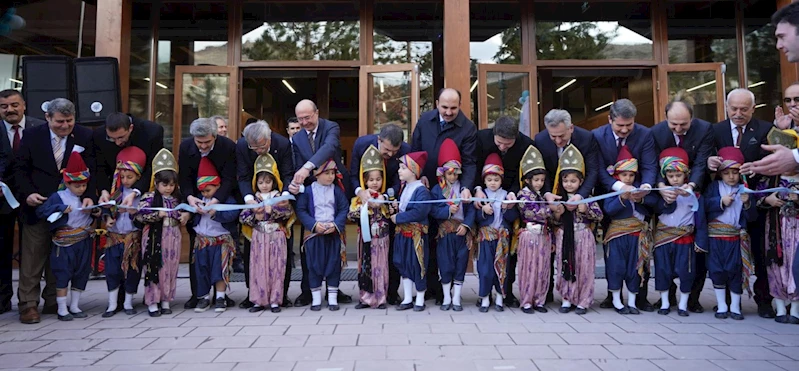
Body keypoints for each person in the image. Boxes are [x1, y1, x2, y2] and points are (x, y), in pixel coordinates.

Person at [14, 98, 94, 324]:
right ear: (48, 118)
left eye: (69, 121)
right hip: (39, 206)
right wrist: (28, 194)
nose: (65, 126)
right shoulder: (32, 135)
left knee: (59, 256)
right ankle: (28, 305)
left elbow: (93, 169)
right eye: (59, 121)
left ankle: (53, 300)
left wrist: (90, 196)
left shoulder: (84, 136)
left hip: (70, 212)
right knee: (33, 257)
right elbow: (20, 169)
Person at [709, 88, 775, 318]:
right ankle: (726, 301)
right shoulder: (715, 130)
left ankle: (764, 300)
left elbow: (774, 162)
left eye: (744, 109)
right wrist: (710, 162)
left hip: (755, 202)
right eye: (734, 108)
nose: (738, 113)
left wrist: (757, 167)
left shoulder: (765, 129)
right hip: (725, 205)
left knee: (760, 253)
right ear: (726, 107)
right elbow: (705, 159)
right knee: (725, 257)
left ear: (753, 109)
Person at [411, 88, 477, 305]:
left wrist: (466, 186)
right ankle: (430, 286)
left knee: (446, 245)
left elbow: (470, 161)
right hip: (427, 189)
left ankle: (444, 290)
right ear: (437, 104)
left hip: (451, 190)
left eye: (453, 108)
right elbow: (415, 151)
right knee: (427, 238)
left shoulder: (467, 128)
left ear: (460, 106)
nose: (449, 112)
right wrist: (418, 175)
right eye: (445, 107)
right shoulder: (424, 121)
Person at [593, 99, 658, 312]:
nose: (624, 130)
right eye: (620, 125)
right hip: (610, 198)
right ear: (609, 119)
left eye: (629, 125)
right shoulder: (597, 136)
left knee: (640, 251)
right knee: (614, 254)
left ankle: (640, 297)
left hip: (639, 201)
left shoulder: (645, 134)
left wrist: (645, 187)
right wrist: (620, 188)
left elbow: (649, 166)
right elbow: (599, 170)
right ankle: (613, 295)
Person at [651, 100, 714, 310]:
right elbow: (652, 163)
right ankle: (666, 297)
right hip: (665, 192)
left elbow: (701, 162)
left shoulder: (704, 129)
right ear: (666, 118)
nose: (678, 128)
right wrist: (661, 187)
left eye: (683, 124)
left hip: (694, 192)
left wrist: (691, 186)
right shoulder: (656, 132)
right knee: (665, 254)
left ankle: (693, 299)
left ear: (692, 119)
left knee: (696, 253)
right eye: (674, 124)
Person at [289, 99, 352, 306]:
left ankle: (334, 289)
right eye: (300, 119)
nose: (304, 122)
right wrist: (296, 185)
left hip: (334, 188)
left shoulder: (331, 127)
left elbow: (329, 148)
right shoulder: (297, 138)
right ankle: (308, 290)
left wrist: (307, 167)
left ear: (316, 113)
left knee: (334, 247)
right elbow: (297, 166)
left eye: (307, 117)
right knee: (309, 246)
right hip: (311, 194)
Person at [535, 109, 599, 303]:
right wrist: (547, 194)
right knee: (552, 248)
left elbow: (593, 171)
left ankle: (579, 293)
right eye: (553, 136)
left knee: (579, 253)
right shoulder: (541, 140)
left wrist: (580, 196)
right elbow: (543, 171)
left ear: (571, 128)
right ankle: (549, 293)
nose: (557, 140)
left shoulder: (587, 138)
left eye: (561, 136)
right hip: (553, 198)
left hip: (578, 196)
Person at [473, 116, 534, 308]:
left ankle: (506, 292)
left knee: (508, 257)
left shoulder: (526, 145)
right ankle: (484, 294)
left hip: (509, 197)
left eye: (507, 144)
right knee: (485, 261)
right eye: (499, 143)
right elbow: (473, 165)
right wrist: (477, 189)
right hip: (484, 191)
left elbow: (524, 174)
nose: (502, 147)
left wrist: (514, 193)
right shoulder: (481, 139)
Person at [178, 117, 237, 309]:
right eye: (199, 142)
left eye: (207, 142)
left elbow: (229, 178)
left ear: (215, 136)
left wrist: (217, 200)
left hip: (221, 197)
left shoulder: (227, 146)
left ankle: (221, 295)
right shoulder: (186, 147)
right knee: (198, 258)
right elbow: (184, 177)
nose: (203, 146)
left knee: (220, 259)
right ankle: (198, 295)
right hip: (196, 201)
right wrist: (189, 198)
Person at [236, 121, 294, 309]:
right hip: (255, 202)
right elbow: (243, 175)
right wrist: (249, 199)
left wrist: (284, 196)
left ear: (269, 138)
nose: (258, 151)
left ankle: (281, 295)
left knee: (282, 256)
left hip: (278, 201)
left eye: (261, 146)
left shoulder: (282, 144)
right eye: (254, 148)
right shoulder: (242, 146)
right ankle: (254, 294)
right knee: (252, 256)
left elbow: (288, 173)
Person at [35, 149, 98, 321]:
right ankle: (62, 308)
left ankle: (75, 305)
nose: (81, 189)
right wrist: (60, 208)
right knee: (63, 272)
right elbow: (42, 211)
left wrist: (96, 211)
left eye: (84, 185)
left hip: (83, 240)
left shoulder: (87, 197)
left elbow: (99, 211)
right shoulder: (58, 197)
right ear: (67, 183)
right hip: (64, 242)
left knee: (82, 272)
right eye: (77, 186)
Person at [350, 123, 409, 305]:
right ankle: (366, 292)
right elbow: (353, 175)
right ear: (379, 140)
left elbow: (399, 181)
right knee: (366, 252)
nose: (390, 154)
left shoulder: (405, 150)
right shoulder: (361, 144)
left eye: (394, 151)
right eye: (387, 150)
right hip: (366, 207)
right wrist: (360, 192)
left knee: (391, 252)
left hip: (388, 205)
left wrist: (386, 196)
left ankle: (391, 292)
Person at [0, 89, 44, 314]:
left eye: (14, 105)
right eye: (4, 106)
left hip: (31, 198)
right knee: (2, 251)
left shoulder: (40, 128)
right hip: (2, 201)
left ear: (24, 105)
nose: (10, 110)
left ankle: (29, 301)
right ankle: (2, 300)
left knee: (32, 251)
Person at [602, 146, 658, 315]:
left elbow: (654, 205)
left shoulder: (641, 191)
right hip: (618, 235)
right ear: (617, 176)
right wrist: (621, 198)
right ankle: (617, 301)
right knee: (616, 266)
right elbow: (609, 210)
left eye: (631, 175)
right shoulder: (613, 192)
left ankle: (633, 301)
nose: (628, 178)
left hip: (638, 236)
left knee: (636, 267)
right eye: (624, 174)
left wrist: (640, 199)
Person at [653, 147, 707, 317]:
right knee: (663, 270)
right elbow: (654, 208)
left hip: (685, 238)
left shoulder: (695, 196)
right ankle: (665, 303)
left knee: (686, 271)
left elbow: (701, 220)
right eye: (671, 176)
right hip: (664, 238)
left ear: (686, 175)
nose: (675, 179)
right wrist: (666, 200)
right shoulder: (660, 194)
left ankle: (683, 304)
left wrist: (701, 242)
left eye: (678, 175)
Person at [135, 149, 190, 317]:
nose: (168, 188)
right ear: (156, 182)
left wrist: (185, 215)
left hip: (173, 235)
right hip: (155, 236)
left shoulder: (177, 199)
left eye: (171, 185)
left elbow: (185, 212)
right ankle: (152, 302)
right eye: (165, 185)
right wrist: (157, 215)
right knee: (154, 266)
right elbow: (140, 215)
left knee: (170, 267)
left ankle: (166, 300)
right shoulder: (149, 198)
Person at [552, 144, 603, 314]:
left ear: (581, 181)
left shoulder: (587, 198)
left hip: (583, 235)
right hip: (564, 236)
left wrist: (586, 209)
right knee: (564, 264)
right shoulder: (558, 198)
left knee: (584, 268)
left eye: (573, 181)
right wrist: (557, 215)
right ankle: (567, 299)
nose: (569, 184)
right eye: (565, 181)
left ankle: (583, 301)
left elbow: (599, 216)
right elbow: (553, 221)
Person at [705, 146, 755, 320]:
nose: (731, 177)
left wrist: (747, 204)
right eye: (726, 173)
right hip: (715, 237)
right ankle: (721, 305)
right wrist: (720, 201)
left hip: (735, 237)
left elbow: (753, 216)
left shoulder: (745, 189)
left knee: (735, 270)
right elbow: (703, 206)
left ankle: (735, 306)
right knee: (716, 269)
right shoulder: (714, 187)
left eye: (735, 172)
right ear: (720, 174)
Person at [296, 158, 349, 311]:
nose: (331, 176)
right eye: (327, 173)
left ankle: (332, 299)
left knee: (333, 265)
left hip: (332, 234)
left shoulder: (337, 191)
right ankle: (316, 299)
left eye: (333, 173)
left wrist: (335, 225)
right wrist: (314, 225)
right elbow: (301, 210)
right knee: (314, 266)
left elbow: (343, 208)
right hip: (314, 235)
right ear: (316, 174)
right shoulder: (308, 191)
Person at [101, 146, 146, 318]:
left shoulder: (140, 196)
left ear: (138, 177)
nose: (126, 180)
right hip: (114, 239)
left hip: (132, 239)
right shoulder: (115, 193)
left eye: (130, 177)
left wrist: (135, 214)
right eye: (123, 177)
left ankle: (128, 302)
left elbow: (145, 216)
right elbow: (105, 209)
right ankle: (112, 304)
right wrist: (108, 218)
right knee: (112, 271)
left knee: (132, 271)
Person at [755, 149, 799, 324]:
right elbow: (756, 195)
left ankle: (795, 308)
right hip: (776, 228)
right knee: (775, 264)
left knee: (795, 263)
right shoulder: (771, 178)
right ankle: (780, 306)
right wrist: (768, 200)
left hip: (796, 228)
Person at [191, 157, 240, 313]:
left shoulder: (227, 200)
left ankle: (220, 297)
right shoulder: (198, 200)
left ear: (218, 186)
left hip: (221, 241)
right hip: (202, 241)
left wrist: (215, 214)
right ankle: (204, 298)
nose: (205, 194)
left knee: (220, 270)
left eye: (208, 190)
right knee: (201, 270)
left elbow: (233, 214)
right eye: (203, 191)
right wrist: (192, 212)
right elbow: (189, 214)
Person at [430, 139, 474, 312]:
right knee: (445, 264)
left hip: (461, 231)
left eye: (456, 173)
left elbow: (471, 209)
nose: (453, 177)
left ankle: (456, 298)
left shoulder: (464, 189)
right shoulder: (437, 190)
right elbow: (433, 210)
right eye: (449, 174)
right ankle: (446, 297)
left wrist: (467, 225)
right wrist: (448, 211)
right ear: (443, 173)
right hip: (445, 233)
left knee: (460, 264)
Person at [348, 145, 392, 309]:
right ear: (365, 180)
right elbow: (351, 216)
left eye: (378, 179)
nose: (375, 183)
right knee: (365, 266)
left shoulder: (385, 198)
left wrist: (383, 203)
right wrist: (364, 207)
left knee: (381, 266)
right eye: (371, 180)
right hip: (365, 239)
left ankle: (380, 298)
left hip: (381, 239)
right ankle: (365, 298)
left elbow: (391, 214)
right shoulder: (359, 199)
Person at [94, 112, 165, 208]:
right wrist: (104, 190)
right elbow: (101, 167)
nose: (117, 143)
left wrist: (135, 191)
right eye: (112, 139)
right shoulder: (99, 135)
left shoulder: (152, 132)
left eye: (121, 137)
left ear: (130, 128)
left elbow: (152, 167)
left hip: (144, 190)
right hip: (114, 189)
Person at [475, 153, 517, 313]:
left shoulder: (506, 195)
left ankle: (500, 297)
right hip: (486, 237)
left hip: (502, 237)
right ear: (484, 180)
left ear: (501, 180)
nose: (493, 183)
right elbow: (475, 216)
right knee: (485, 269)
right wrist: (483, 210)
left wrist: (508, 208)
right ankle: (485, 298)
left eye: (496, 179)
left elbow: (513, 218)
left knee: (502, 267)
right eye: (489, 179)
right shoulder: (481, 195)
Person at [391, 151, 432, 311]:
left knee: (418, 264)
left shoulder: (421, 190)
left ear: (414, 171)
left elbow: (420, 212)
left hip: (416, 236)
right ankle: (407, 298)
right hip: (403, 234)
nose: (399, 171)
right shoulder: (405, 188)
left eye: (403, 168)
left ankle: (420, 298)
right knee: (404, 264)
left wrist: (399, 217)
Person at [516, 145, 552, 314]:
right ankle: (527, 301)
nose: (539, 183)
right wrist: (552, 209)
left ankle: (539, 300)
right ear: (527, 180)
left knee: (542, 268)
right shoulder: (522, 195)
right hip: (529, 234)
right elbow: (532, 212)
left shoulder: (541, 195)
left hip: (543, 235)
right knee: (529, 268)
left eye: (542, 180)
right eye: (536, 180)